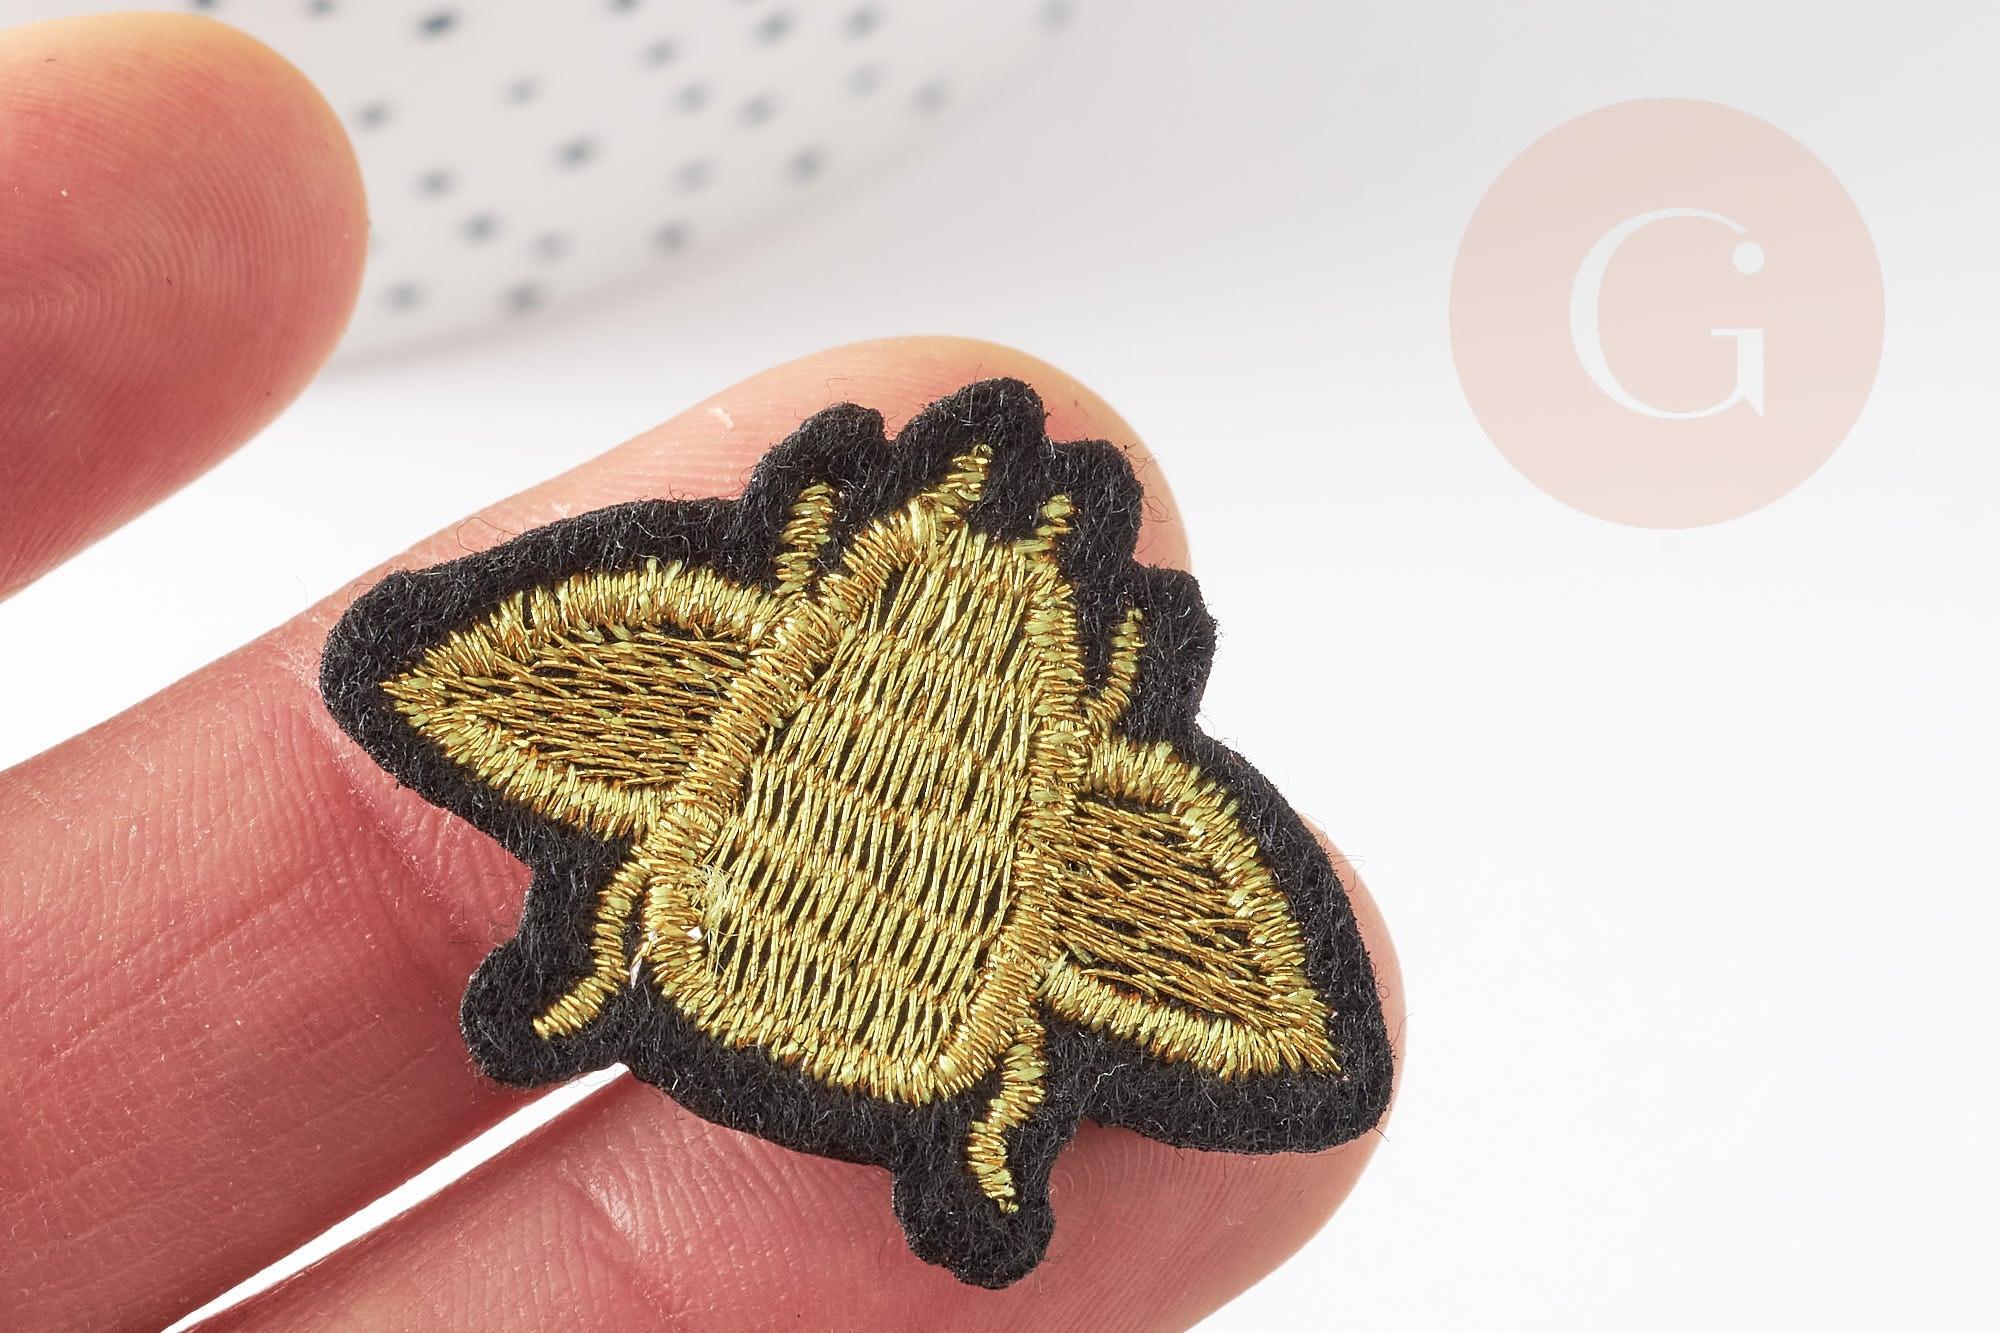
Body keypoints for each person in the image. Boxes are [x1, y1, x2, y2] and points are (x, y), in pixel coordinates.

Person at [0, 14, 1401, 1330]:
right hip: (899, 1020)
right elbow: (1288, 1034)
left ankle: (709, 1042)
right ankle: (954, 1147)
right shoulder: (1100, 811)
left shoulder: (691, 656)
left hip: (754, 962)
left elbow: (432, 671)